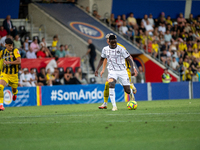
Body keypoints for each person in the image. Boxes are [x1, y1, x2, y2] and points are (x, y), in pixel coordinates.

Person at [95, 35, 136, 111]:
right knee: (111, 84)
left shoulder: (121, 49)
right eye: (112, 42)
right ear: (109, 42)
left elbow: (129, 59)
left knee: (126, 90)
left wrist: (132, 70)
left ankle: (131, 94)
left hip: (122, 71)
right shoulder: (105, 49)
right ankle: (114, 106)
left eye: (115, 42)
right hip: (112, 71)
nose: (114, 43)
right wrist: (97, 69)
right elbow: (102, 59)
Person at [0, 38, 21, 111]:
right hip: (5, 73)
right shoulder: (2, 52)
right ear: (5, 45)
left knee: (14, 90)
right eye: (9, 46)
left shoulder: (15, 51)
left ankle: (15, 94)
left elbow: (19, 61)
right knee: (0, 87)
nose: (11, 47)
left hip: (14, 75)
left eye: (12, 45)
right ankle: (1, 105)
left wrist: (9, 62)